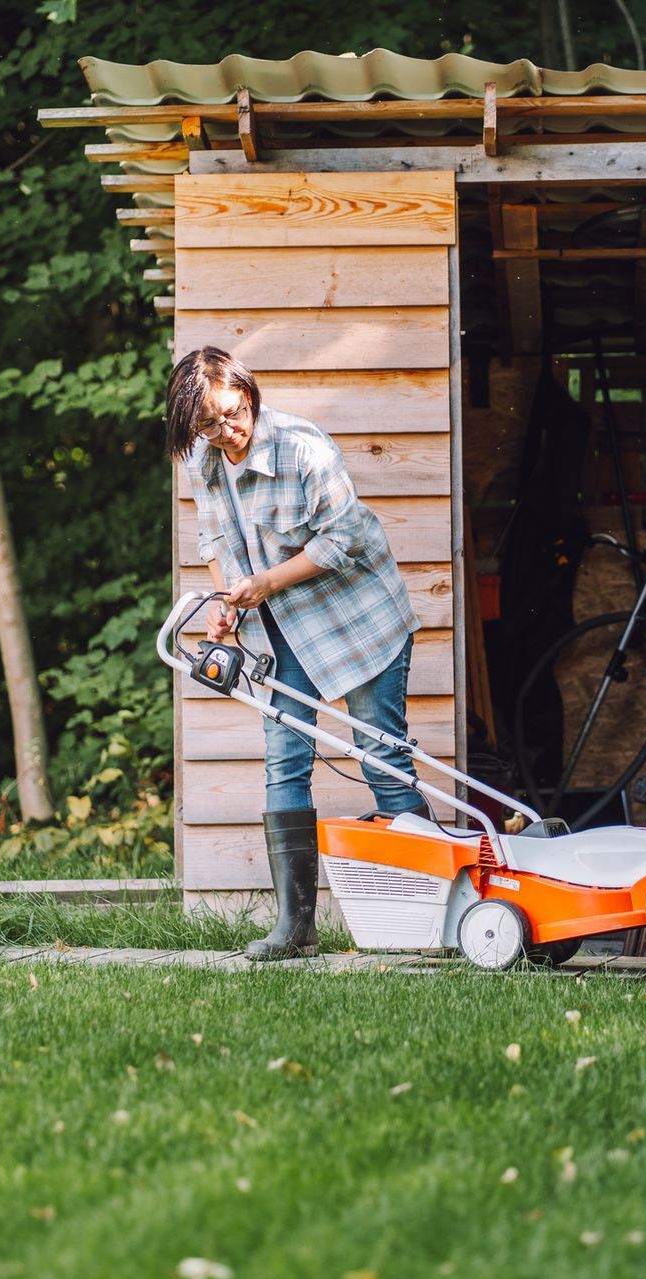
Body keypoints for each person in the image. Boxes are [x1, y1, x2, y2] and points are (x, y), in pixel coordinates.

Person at [166, 346, 424, 961]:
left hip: (356, 615)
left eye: (233, 413)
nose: (227, 431)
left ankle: (421, 920)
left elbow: (342, 540)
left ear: (248, 394)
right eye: (208, 424)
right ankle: (296, 928)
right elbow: (215, 537)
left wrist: (267, 583)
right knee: (285, 762)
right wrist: (229, 599)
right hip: (276, 625)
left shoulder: (305, 448)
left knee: (379, 753)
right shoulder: (204, 461)